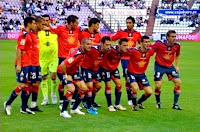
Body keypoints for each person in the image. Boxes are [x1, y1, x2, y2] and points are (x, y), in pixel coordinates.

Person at [44, 15, 81, 108]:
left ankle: (72, 103)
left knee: (76, 82)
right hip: (63, 60)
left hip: (74, 60)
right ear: (71, 23)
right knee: (65, 82)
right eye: (76, 23)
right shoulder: (60, 29)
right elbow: (47, 28)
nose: (77, 24)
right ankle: (62, 102)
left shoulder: (78, 30)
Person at [4, 17, 36, 115]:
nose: (35, 25)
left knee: (27, 84)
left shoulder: (29, 34)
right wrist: (19, 64)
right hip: (23, 63)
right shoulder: (24, 34)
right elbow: (18, 49)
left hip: (28, 63)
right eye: (33, 23)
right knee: (22, 85)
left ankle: (23, 108)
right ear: (29, 24)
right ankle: (8, 103)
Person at [57, 38, 92, 118]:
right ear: (82, 44)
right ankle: (63, 111)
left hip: (73, 71)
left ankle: (74, 108)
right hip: (63, 71)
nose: (89, 46)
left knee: (84, 88)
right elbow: (63, 65)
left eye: (90, 44)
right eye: (87, 44)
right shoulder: (77, 54)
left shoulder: (84, 51)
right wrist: (66, 76)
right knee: (71, 89)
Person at [111, 16, 142, 105]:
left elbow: (142, 43)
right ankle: (130, 99)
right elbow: (111, 39)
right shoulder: (121, 33)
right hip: (124, 59)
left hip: (134, 59)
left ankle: (134, 96)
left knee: (135, 78)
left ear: (133, 24)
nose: (128, 24)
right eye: (127, 23)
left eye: (129, 23)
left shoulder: (137, 34)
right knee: (127, 79)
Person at [151, 30, 182, 110]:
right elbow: (150, 50)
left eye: (175, 36)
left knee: (178, 82)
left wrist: (177, 66)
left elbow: (177, 55)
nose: (174, 38)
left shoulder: (177, 45)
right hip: (159, 66)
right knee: (158, 85)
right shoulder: (159, 43)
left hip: (169, 66)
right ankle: (158, 103)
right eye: (172, 36)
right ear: (167, 37)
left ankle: (175, 104)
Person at [80, 36, 111, 113]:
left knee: (98, 86)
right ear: (102, 44)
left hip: (95, 70)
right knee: (89, 86)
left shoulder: (108, 51)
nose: (108, 47)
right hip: (86, 68)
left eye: (109, 45)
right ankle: (89, 107)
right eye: (106, 45)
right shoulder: (93, 49)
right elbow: (83, 49)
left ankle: (88, 101)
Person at [100, 38, 128, 112]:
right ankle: (110, 105)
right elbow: (102, 52)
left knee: (119, 84)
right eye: (124, 45)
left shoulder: (125, 51)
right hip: (105, 68)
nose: (126, 47)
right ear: (119, 45)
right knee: (108, 85)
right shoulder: (111, 50)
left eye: (127, 45)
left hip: (114, 69)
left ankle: (117, 104)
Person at [79, 18, 102, 107]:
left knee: (98, 85)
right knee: (89, 85)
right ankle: (84, 101)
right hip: (85, 64)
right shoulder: (83, 34)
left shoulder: (99, 35)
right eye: (97, 24)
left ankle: (91, 100)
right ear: (92, 24)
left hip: (95, 64)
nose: (98, 26)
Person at [127, 36, 154, 111]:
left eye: (148, 42)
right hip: (131, 73)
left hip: (142, 74)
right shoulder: (133, 50)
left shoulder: (150, 51)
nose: (147, 43)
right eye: (145, 42)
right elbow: (123, 50)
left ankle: (139, 102)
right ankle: (134, 105)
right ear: (141, 43)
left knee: (149, 92)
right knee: (135, 88)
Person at [39, 14, 59, 105]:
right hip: (42, 58)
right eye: (44, 20)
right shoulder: (38, 32)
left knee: (53, 76)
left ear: (50, 21)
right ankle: (45, 98)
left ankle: (53, 94)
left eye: (47, 20)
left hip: (53, 58)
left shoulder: (55, 31)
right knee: (44, 78)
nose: (46, 22)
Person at [28, 16, 44, 112]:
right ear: (37, 24)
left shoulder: (37, 34)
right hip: (30, 64)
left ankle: (33, 105)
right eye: (41, 24)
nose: (43, 26)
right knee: (29, 84)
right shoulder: (29, 34)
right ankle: (24, 105)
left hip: (37, 63)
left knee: (37, 83)